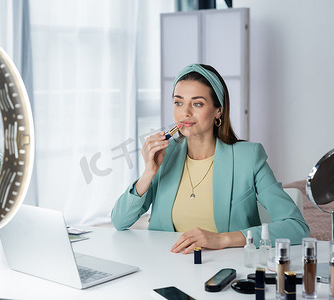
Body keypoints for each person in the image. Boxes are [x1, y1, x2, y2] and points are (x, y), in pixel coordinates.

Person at [111, 64, 309, 254]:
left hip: (225, 272)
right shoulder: (165, 154)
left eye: (197, 104)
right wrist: (148, 173)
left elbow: (296, 227)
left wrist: (222, 239)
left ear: (218, 110)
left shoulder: (248, 157)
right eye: (178, 102)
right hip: (166, 267)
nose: (185, 112)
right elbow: (119, 221)